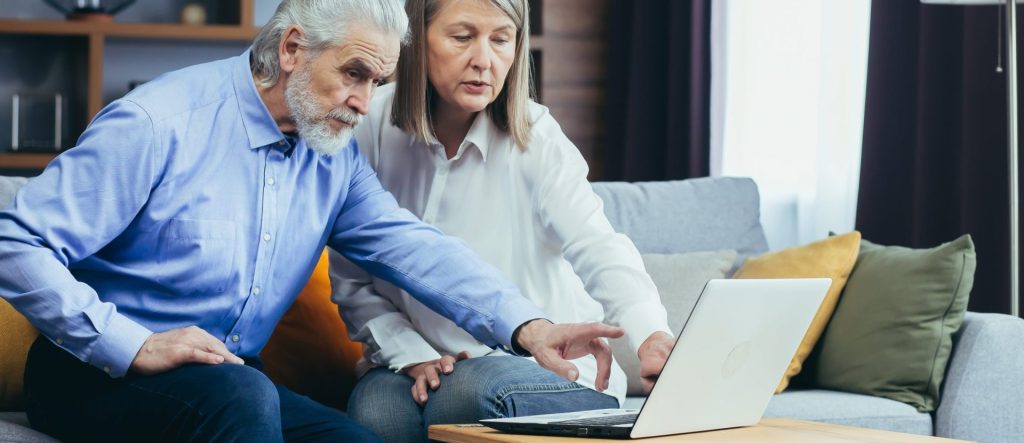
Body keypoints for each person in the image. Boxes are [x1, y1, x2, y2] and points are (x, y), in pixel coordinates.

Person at [0, 1, 625, 442]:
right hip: (96, 372)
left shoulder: (331, 155)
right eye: (353, 74)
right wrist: (132, 343)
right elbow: (15, 239)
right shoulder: (159, 123)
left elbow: (413, 247)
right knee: (243, 396)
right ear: (293, 47)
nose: (363, 102)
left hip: (228, 378)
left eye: (377, 81)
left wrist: (528, 327)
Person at [330, 0, 677, 441]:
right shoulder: (369, 123)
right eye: (462, 37)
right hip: (410, 363)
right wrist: (413, 355)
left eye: (500, 40)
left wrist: (651, 335)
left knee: (468, 392)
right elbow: (352, 278)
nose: (483, 60)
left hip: (541, 366)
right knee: (377, 413)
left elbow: (599, 246)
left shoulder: (538, 137)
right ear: (414, 39)